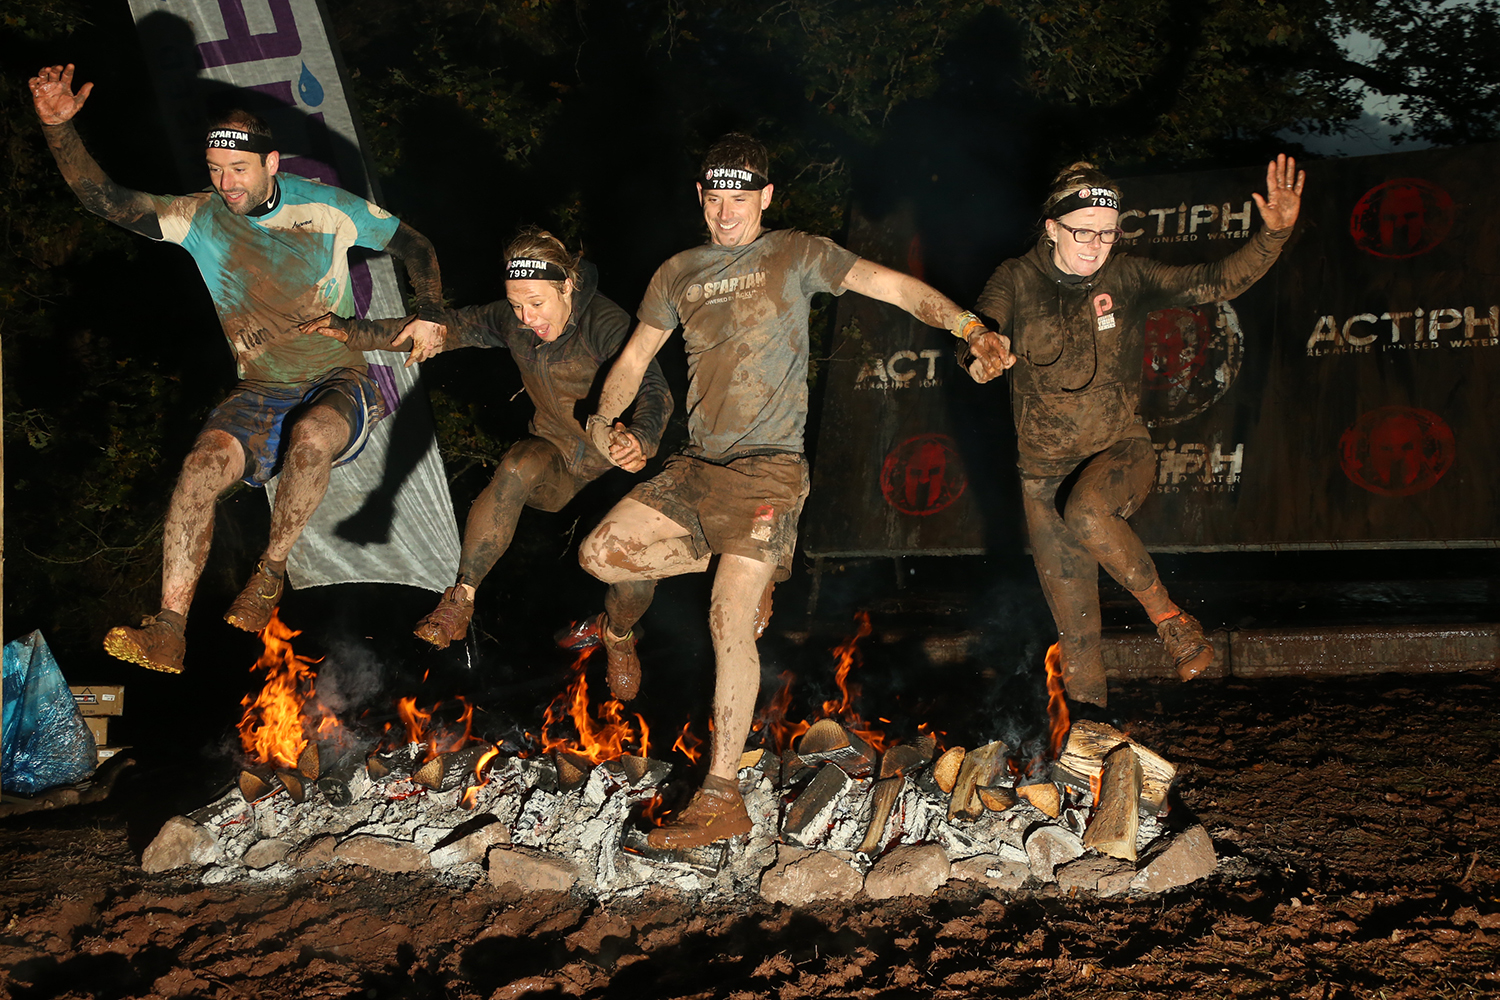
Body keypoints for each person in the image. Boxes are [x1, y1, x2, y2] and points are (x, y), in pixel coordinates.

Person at [574, 133, 1009, 850]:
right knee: (600, 555)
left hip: (769, 472)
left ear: (766, 197)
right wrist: (602, 423)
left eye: (739, 199)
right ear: (700, 198)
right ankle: (635, 623)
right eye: (714, 199)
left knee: (728, 616)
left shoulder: (797, 253)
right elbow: (631, 361)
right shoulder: (677, 273)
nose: (725, 213)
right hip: (697, 466)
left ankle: (722, 797)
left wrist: (968, 326)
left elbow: (897, 288)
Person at [29, 64, 447, 674]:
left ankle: (270, 573)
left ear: (272, 163)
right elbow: (107, 201)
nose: (226, 183)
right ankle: (168, 630)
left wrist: (430, 311)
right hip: (262, 386)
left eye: (239, 169)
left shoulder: (327, 207)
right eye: (215, 169)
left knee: (311, 435)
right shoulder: (199, 217)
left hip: (338, 379)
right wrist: (58, 130)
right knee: (200, 467)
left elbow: (416, 246)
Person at [963, 156, 1304, 706]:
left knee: (1087, 511)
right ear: (1051, 228)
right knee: (1077, 635)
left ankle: (1170, 620)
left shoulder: (1127, 277)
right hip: (1043, 480)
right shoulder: (1017, 278)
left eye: (1107, 232)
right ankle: (1088, 745)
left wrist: (1274, 235)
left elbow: (1215, 280)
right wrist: (982, 350)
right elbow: (981, 325)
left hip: (1120, 452)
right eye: (1083, 231)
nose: (1096, 245)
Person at [302, 230, 672, 693]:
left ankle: (617, 635)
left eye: (536, 303)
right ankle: (460, 599)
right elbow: (441, 328)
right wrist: (352, 332)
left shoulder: (604, 323)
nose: (527, 318)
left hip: (616, 471)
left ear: (567, 286)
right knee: (519, 463)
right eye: (517, 305)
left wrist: (641, 437)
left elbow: (654, 387)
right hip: (557, 458)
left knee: (632, 576)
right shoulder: (513, 322)